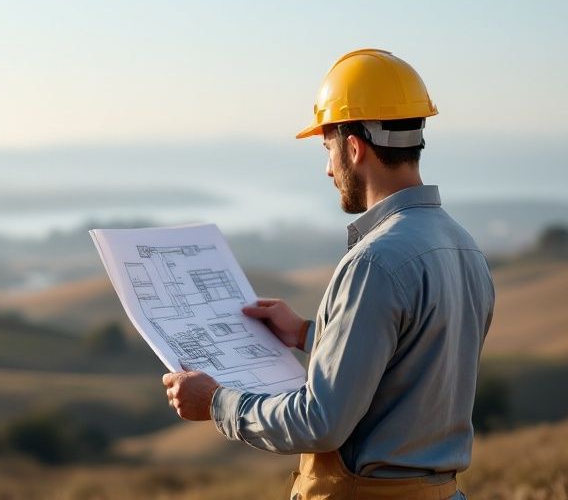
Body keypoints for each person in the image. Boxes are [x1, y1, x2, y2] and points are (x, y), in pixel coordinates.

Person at [162, 49, 494, 500]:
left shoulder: (374, 262)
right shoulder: (463, 246)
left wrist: (217, 403)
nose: (327, 167)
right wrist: (305, 333)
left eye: (327, 148)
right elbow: (406, 358)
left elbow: (320, 422)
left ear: (354, 147)